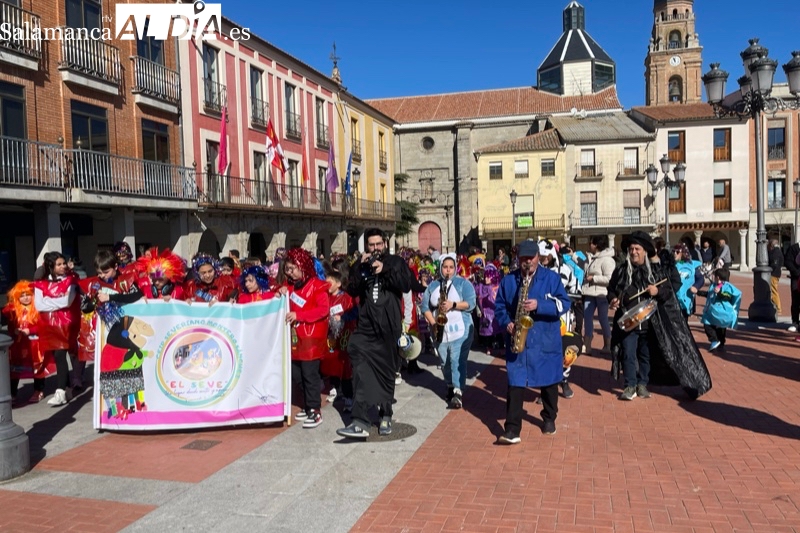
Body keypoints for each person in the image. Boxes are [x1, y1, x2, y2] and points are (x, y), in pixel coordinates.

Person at [608, 231, 711, 401]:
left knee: (645, 354)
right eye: (631, 249)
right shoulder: (621, 271)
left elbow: (671, 289)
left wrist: (658, 291)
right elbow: (611, 289)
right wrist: (612, 299)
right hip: (629, 321)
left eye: (637, 249)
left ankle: (642, 384)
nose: (633, 252)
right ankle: (629, 385)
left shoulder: (656, 271)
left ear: (645, 251)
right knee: (628, 353)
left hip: (650, 323)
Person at [337, 228, 412, 439]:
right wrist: (360, 268)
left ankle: (386, 414)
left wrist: (385, 269)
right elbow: (351, 290)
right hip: (366, 327)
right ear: (366, 246)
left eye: (379, 244)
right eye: (372, 245)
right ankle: (359, 421)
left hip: (389, 326)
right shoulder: (362, 263)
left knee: (386, 372)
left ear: (385, 244)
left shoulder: (396, 262)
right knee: (360, 370)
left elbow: (406, 285)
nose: (376, 248)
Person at [494, 240, 570, 444]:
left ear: (538, 257)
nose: (527, 263)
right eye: (523, 259)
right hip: (519, 341)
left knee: (549, 383)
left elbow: (565, 303)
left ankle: (549, 418)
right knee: (515, 384)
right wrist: (507, 323)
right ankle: (512, 429)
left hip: (545, 338)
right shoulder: (509, 280)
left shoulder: (551, 278)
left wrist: (540, 305)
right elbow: (499, 306)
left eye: (531, 258)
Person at [280, 247, 329, 429]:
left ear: (303, 267)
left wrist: (299, 316)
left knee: (309, 375)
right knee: (297, 374)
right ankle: (307, 406)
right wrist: (280, 292)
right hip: (295, 338)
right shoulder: (290, 286)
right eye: (287, 269)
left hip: (311, 338)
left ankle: (315, 410)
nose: (289, 272)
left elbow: (323, 310)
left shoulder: (317, 285)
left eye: (293, 268)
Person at [422, 253, 476, 409]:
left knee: (457, 360)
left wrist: (453, 304)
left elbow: (471, 303)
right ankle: (450, 386)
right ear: (440, 268)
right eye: (445, 267)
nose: (448, 271)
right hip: (440, 331)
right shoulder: (433, 286)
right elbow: (424, 306)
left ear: (455, 269)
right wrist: (433, 323)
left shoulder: (462, 284)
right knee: (445, 361)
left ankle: (458, 391)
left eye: (451, 267)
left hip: (461, 330)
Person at [33, 252, 80, 406]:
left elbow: (67, 301)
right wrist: (56, 302)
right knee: (56, 355)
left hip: (67, 324)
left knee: (61, 354)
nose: (63, 267)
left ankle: (60, 391)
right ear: (51, 267)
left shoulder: (71, 280)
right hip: (49, 326)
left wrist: (50, 301)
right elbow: (39, 305)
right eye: (59, 264)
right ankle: (66, 389)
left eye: (63, 263)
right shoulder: (41, 283)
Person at [537, 239, 579, 400]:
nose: (543, 258)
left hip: (563, 315)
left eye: (545, 255)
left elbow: (575, 290)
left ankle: (564, 379)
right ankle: (546, 386)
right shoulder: (537, 272)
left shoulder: (565, 270)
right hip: (542, 315)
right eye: (540, 256)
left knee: (566, 348)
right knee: (544, 350)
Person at [2, 280, 52, 405]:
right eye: (22, 295)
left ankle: (38, 390)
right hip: (18, 345)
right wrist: (14, 330)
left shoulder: (38, 309)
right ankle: (12, 393)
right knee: (15, 369)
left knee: (37, 367)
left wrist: (30, 330)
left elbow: (42, 326)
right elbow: (9, 326)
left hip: (35, 344)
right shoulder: (14, 311)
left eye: (28, 294)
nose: (25, 298)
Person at [321, 270, 355, 410]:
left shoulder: (346, 298)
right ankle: (335, 388)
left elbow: (353, 313)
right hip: (331, 337)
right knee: (331, 362)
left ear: (339, 284)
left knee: (344, 366)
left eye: (330, 282)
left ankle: (349, 396)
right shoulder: (325, 297)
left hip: (344, 336)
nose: (327, 285)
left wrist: (342, 318)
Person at [581, 235, 616, 355]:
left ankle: (608, 344)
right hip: (589, 292)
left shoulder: (607, 260)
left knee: (603, 319)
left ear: (596, 245)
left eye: (591, 243)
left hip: (602, 293)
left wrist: (594, 278)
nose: (589, 245)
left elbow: (610, 278)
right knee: (587, 318)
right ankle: (587, 344)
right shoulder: (593, 258)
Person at [701, 267, 741, 351]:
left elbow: (727, 296)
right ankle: (720, 343)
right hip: (717, 311)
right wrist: (699, 292)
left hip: (721, 311)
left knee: (707, 322)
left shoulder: (726, 286)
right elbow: (709, 294)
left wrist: (719, 293)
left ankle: (715, 340)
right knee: (719, 326)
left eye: (714, 276)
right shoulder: (714, 285)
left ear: (718, 277)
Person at [672, 243, 704, 319]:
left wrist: (696, 286)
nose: (675, 254)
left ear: (683, 253)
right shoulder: (671, 265)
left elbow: (700, 278)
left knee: (684, 323)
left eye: (677, 252)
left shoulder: (692, 265)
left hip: (686, 298)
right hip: (673, 298)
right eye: (673, 252)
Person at [785, 241, 800, 332]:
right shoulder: (793, 248)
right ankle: (795, 321)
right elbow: (788, 262)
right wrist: (796, 272)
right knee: (795, 300)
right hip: (796, 278)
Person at [768, 239, 783, 316]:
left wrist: (770, 269)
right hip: (776, 273)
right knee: (773, 290)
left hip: (774, 273)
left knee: (774, 291)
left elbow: (775, 263)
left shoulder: (775, 252)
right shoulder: (778, 251)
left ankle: (778, 307)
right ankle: (776, 306)